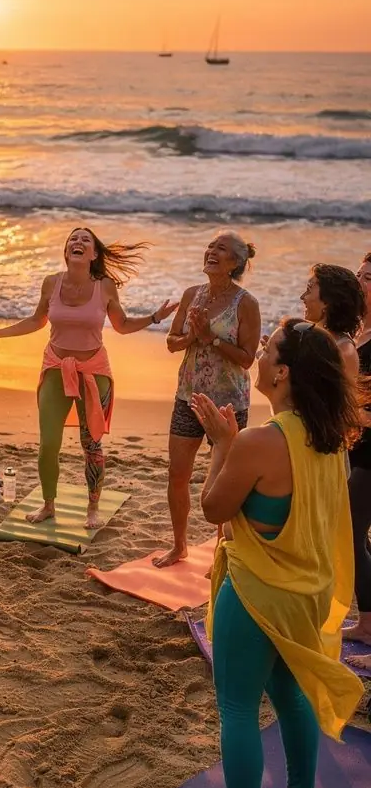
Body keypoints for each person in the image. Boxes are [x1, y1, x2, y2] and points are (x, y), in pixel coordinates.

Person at [181, 319, 362, 788]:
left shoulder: (261, 441)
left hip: (259, 591)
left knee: (236, 708)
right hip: (307, 590)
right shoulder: (332, 437)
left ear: (282, 374)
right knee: (289, 694)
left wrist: (223, 445)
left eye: (267, 349)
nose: (258, 354)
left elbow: (214, 509)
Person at [0, 227, 175, 528]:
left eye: (85, 240)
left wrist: (155, 318)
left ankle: (93, 508)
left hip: (94, 371)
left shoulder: (104, 286)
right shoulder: (51, 283)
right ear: (67, 252)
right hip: (55, 366)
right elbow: (36, 320)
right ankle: (48, 505)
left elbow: (122, 325)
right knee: (48, 443)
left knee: (91, 444)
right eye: (72, 240)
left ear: (93, 254)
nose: (77, 243)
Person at [154, 231, 261, 568]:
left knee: (225, 482)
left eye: (222, 249)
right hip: (188, 396)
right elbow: (172, 342)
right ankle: (179, 546)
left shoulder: (246, 303)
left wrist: (211, 340)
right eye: (211, 246)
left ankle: (221, 555)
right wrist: (191, 338)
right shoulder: (191, 295)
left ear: (236, 263)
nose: (212, 252)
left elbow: (247, 358)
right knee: (177, 474)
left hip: (228, 403)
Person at [344, 252, 371, 650]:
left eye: (369, 277)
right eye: (361, 274)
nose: (361, 280)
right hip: (356, 447)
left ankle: (367, 625)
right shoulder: (358, 331)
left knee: (350, 532)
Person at [300, 262, 364, 380]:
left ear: (327, 302)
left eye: (309, 290)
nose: (303, 297)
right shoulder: (311, 334)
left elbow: (344, 398)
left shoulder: (344, 352)